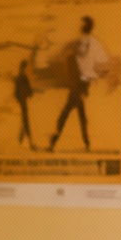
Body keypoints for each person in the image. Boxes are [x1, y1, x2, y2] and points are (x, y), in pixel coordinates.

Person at [47, 15, 109, 151]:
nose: (79, 26)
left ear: (85, 26)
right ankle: (86, 144)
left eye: (82, 24)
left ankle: (53, 143)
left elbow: (87, 60)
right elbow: (100, 63)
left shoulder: (84, 42)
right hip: (81, 84)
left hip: (79, 85)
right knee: (81, 115)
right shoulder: (91, 42)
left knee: (65, 113)